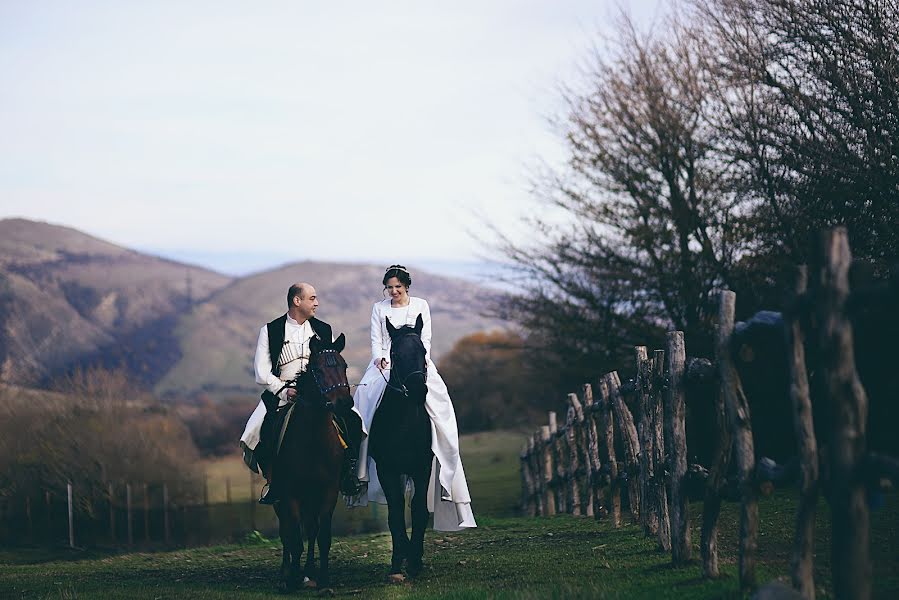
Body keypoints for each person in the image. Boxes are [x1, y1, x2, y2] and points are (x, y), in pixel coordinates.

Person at [351, 265, 476, 531]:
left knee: (440, 402)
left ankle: (446, 450)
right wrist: (381, 358)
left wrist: (419, 361)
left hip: (417, 362)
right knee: (363, 397)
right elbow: (376, 340)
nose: (393, 292)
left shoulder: (421, 305)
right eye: (389, 287)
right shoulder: (378, 308)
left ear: (406, 286)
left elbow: (425, 339)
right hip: (386, 363)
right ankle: (359, 462)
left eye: (398, 287)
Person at [239, 282, 363, 504]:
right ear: (297, 301)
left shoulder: (324, 329)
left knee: (354, 420)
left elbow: (329, 362)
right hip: (282, 391)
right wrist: (283, 391)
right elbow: (261, 372)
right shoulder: (270, 330)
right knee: (257, 430)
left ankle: (347, 474)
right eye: (312, 298)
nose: (317, 303)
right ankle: (273, 482)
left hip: (320, 392)